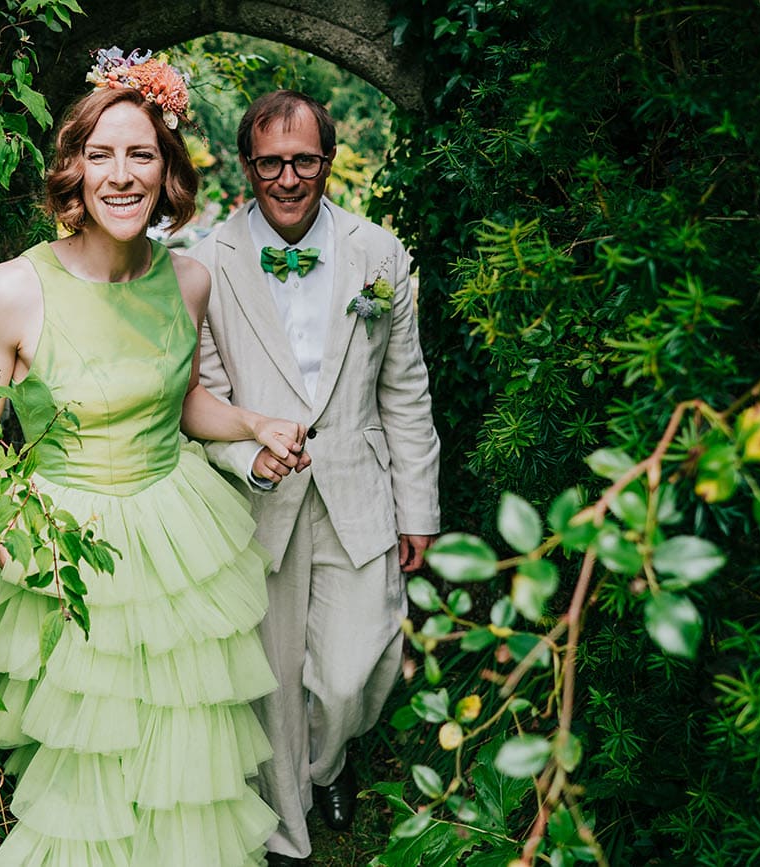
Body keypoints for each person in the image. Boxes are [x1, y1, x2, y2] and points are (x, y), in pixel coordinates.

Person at [0, 50, 310, 867]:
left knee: (184, 751)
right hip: (67, 541)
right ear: (73, 169)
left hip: (173, 534)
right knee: (91, 766)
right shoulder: (10, 291)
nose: (121, 175)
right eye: (101, 154)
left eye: (141, 154)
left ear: (167, 171)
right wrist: (18, 542)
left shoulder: (187, 282)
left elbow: (181, 400)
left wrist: (252, 422)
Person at [187, 90, 441, 865]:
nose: (288, 177)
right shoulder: (204, 261)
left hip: (358, 491)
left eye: (304, 160)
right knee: (273, 678)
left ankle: (329, 762)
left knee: (354, 669)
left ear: (327, 160)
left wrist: (418, 509)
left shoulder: (380, 255)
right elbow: (202, 394)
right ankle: (286, 830)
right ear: (247, 164)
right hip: (259, 501)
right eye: (271, 162)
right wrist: (246, 456)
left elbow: (404, 389)